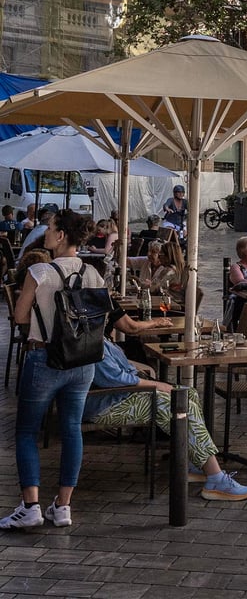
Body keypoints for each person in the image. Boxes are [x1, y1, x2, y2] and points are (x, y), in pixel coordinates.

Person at [0, 210, 101, 530]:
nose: (46, 232)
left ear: (61, 236)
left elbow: (18, 316)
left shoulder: (40, 271)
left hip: (43, 358)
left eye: (51, 227)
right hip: (82, 362)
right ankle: (63, 505)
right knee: (72, 429)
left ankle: (31, 505)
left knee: (28, 431)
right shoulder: (93, 273)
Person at [85, 336, 247, 501]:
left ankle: (194, 463)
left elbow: (116, 369)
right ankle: (215, 478)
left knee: (188, 393)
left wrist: (140, 372)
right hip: (105, 403)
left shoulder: (96, 333)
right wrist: (156, 384)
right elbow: (113, 378)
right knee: (176, 403)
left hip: (120, 395)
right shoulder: (89, 338)